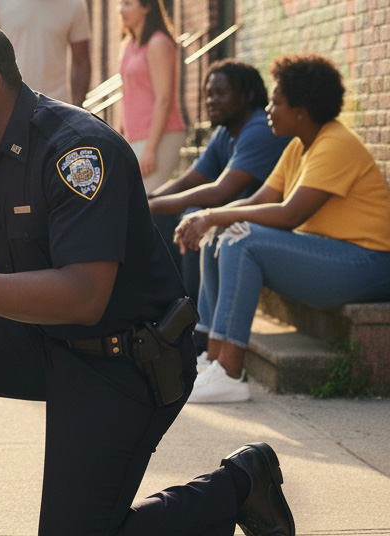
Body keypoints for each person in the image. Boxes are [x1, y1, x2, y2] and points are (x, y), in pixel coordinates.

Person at [0, 18, 294, 536]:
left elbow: (83, 297)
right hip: (46, 341)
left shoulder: (78, 150)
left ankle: (240, 484)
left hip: (125, 360)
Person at [176, 53, 390, 404]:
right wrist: (208, 218)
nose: (268, 110)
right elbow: (259, 199)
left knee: (241, 240)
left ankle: (230, 372)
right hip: (330, 255)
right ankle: (212, 360)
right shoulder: (298, 146)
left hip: (367, 263)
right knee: (221, 236)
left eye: (276, 102)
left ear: (301, 110)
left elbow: (289, 214)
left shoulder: (335, 144)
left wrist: (214, 216)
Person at [149, 59, 292, 306]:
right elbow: (188, 181)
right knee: (163, 216)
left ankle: (191, 314)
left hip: (267, 223)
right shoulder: (225, 131)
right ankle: (169, 306)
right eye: (208, 94)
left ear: (247, 96)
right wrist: (149, 200)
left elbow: (220, 193)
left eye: (221, 93)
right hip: (236, 216)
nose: (211, 101)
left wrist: (149, 206)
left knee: (191, 219)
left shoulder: (259, 129)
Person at [118, 0, 186, 193]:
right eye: (120, 4)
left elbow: (164, 99)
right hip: (134, 137)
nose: (121, 10)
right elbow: (126, 94)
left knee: (147, 199)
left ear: (146, 7)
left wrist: (150, 149)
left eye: (128, 4)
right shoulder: (128, 45)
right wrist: (120, 136)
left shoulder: (158, 43)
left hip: (161, 136)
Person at [0, 0, 91, 106]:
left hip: (56, 106)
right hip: (9, 105)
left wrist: (76, 107)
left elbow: (81, 61)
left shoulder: (73, 4)